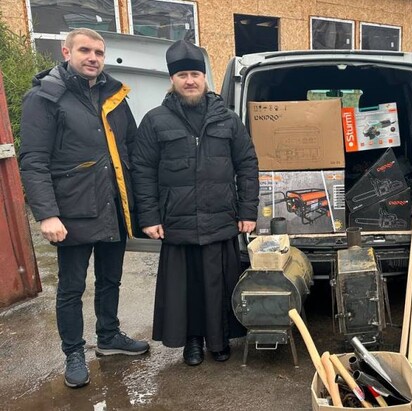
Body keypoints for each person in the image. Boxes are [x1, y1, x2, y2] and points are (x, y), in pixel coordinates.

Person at [19, 28, 149, 389]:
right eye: (85, 51)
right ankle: (74, 352)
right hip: (71, 211)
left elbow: (133, 151)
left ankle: (109, 336)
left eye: (99, 52)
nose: (93, 58)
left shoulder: (115, 95)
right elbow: (33, 160)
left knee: (111, 280)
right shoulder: (45, 97)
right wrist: (47, 213)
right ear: (66, 52)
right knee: (71, 288)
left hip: (111, 205)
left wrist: (142, 207)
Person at [131, 40, 259, 366]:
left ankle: (218, 340)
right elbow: (142, 172)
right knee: (185, 288)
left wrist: (247, 210)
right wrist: (148, 216)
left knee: (218, 284)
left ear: (204, 78)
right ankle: (192, 342)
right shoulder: (155, 121)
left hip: (220, 218)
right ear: (172, 79)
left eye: (195, 74)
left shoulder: (228, 120)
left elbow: (247, 164)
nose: (190, 80)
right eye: (183, 75)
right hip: (178, 220)